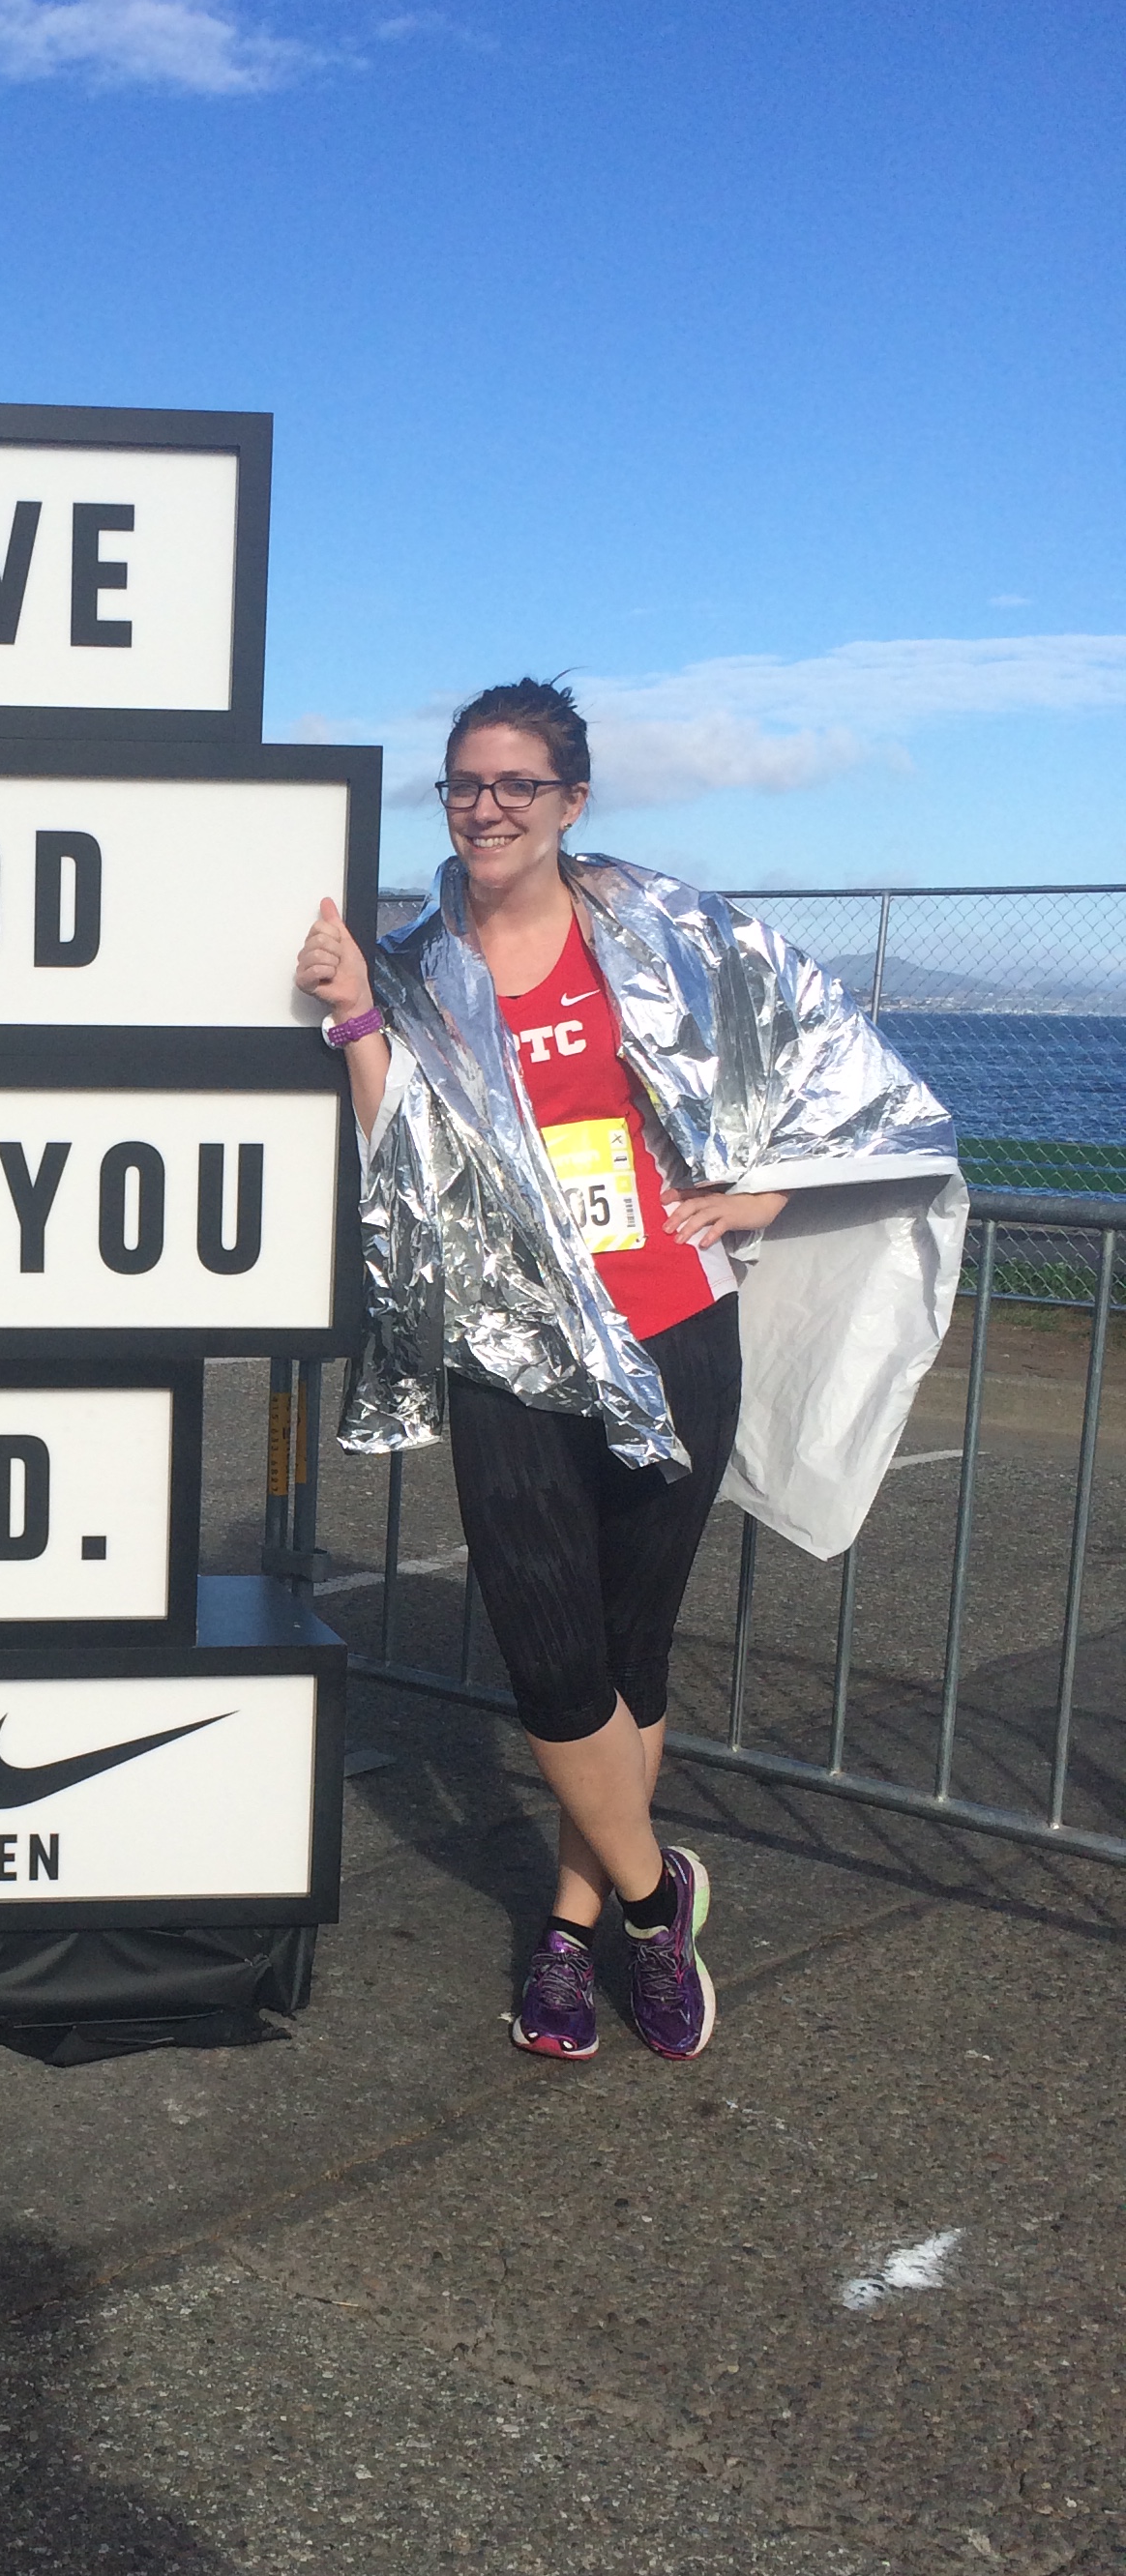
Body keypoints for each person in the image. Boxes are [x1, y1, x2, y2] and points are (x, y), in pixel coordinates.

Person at [295, 679, 964, 2064]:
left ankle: (568, 1926)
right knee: (552, 1666)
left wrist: (767, 1193)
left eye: (516, 786)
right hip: (511, 1347)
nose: (486, 808)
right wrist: (357, 1015)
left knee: (628, 1656)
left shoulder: (661, 930)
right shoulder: (416, 964)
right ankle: (661, 1904)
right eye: (464, 784)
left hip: (673, 1330)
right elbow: (401, 1150)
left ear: (571, 801)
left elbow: (819, 1048)